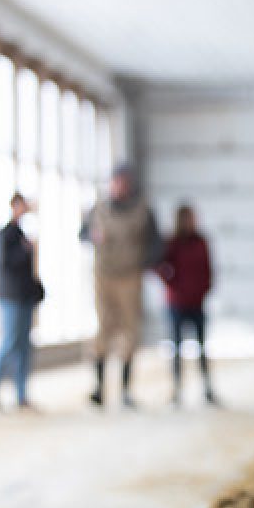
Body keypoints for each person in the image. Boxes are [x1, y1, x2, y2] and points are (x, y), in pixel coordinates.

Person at [81, 164, 160, 409]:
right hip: (104, 276)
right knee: (104, 329)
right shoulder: (98, 209)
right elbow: (82, 234)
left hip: (130, 277)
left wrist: (143, 262)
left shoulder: (142, 211)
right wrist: (92, 237)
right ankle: (99, 388)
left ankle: (125, 390)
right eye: (115, 182)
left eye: (123, 182)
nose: (119, 187)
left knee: (129, 331)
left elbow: (157, 244)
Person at [0, 193, 45, 410]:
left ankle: (21, 395)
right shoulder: (5, 234)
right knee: (8, 343)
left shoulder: (22, 233)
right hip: (11, 298)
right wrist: (26, 251)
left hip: (24, 298)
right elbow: (6, 263)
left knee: (24, 347)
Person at [154, 203, 216, 406]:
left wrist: (205, 288)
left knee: (202, 347)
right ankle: (177, 389)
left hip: (197, 303)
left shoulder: (201, 241)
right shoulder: (172, 242)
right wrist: (172, 284)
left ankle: (207, 388)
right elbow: (159, 266)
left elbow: (208, 268)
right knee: (177, 347)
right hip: (177, 303)